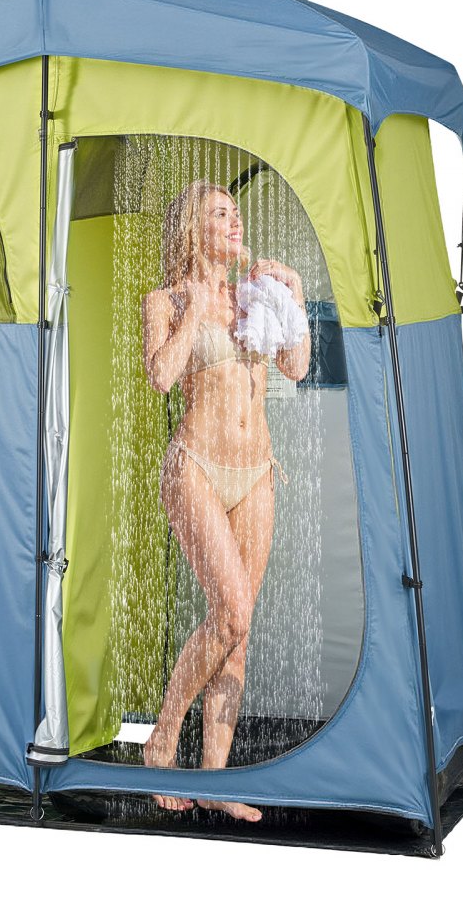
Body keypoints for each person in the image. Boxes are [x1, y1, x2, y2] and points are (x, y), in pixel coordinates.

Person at [140, 179, 310, 820]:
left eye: (237, 213)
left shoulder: (254, 294)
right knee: (231, 612)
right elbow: (160, 376)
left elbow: (295, 366)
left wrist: (293, 290)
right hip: (197, 469)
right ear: (193, 229)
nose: (236, 222)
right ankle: (162, 741)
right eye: (221, 214)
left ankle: (215, 780)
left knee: (239, 633)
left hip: (258, 471)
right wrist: (191, 307)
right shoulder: (164, 300)